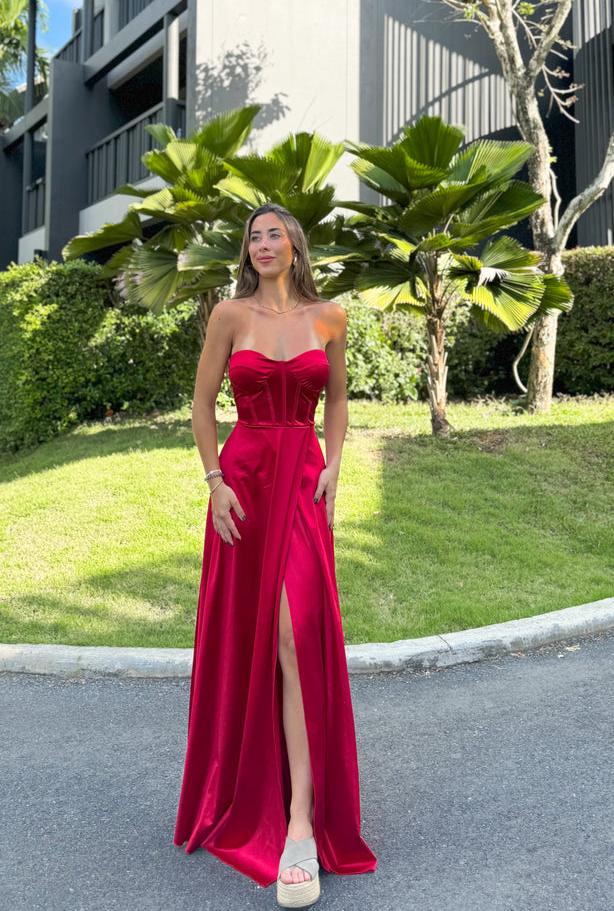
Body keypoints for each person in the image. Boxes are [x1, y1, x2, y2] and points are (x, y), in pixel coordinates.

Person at [174, 203, 376, 907]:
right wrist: (214, 481)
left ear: (295, 244)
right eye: (253, 236)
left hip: (303, 482)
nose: (263, 243)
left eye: (274, 233)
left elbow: (340, 398)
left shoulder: (330, 317)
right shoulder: (229, 316)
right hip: (246, 485)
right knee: (255, 640)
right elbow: (201, 405)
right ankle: (255, 797)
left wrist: (337, 463)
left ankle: (298, 824)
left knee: (296, 635)